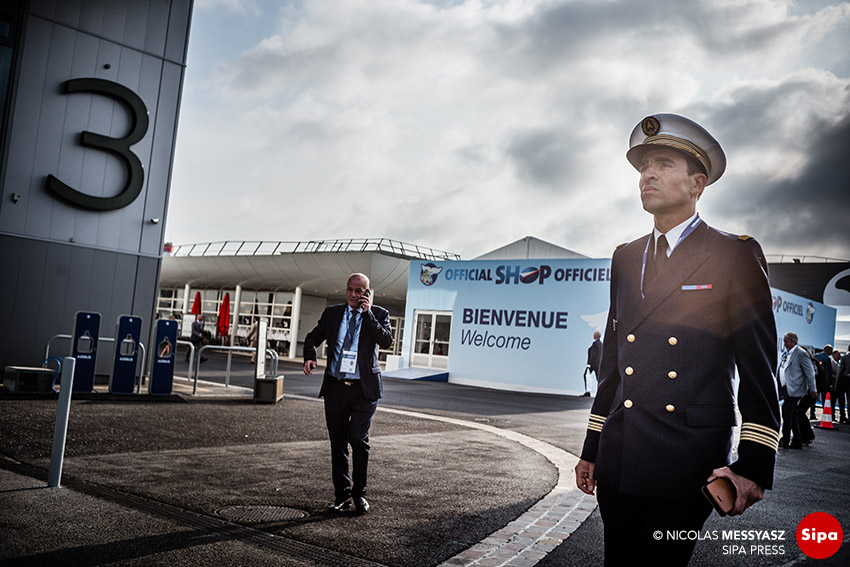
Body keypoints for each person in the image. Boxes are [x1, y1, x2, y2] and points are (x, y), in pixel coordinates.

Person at [574, 114, 781, 566]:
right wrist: (592, 449)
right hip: (622, 452)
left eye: (663, 164)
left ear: (697, 183)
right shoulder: (625, 256)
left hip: (688, 459)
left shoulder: (733, 253)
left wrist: (754, 464)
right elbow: (612, 363)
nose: (648, 174)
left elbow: (760, 367)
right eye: (644, 166)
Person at [302, 273, 393, 515]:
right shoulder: (333, 314)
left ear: (367, 293)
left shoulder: (380, 314)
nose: (354, 295)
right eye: (350, 290)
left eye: (359, 291)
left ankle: (359, 493)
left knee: (358, 439)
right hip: (336, 388)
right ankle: (341, 494)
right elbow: (312, 338)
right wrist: (310, 357)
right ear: (346, 291)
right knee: (338, 441)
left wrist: (368, 313)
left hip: (364, 390)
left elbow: (385, 341)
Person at [777, 332, 817, 449]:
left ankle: (785, 439)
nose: (784, 344)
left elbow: (810, 373)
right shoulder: (787, 353)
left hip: (795, 389)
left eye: (786, 341)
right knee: (793, 414)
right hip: (786, 388)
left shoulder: (801, 353)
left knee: (786, 412)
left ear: (793, 341)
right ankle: (797, 440)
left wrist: (812, 389)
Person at [813, 345, 835, 420]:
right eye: (831, 350)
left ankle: (812, 414)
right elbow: (828, 372)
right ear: (827, 349)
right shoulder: (827, 359)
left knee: (813, 398)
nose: (832, 352)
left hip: (815, 380)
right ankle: (825, 415)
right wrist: (830, 383)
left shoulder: (815, 356)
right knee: (825, 399)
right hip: (823, 382)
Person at [583, 331, 603, 396]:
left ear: (595, 336)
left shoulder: (595, 344)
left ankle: (588, 392)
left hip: (593, 364)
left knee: (586, 375)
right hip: (599, 364)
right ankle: (601, 393)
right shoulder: (601, 345)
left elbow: (593, 355)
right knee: (599, 378)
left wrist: (589, 364)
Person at [834, 349, 848, 424]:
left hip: (843, 382)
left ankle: (842, 415)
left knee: (841, 400)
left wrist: (836, 383)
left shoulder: (845, 358)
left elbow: (840, 371)